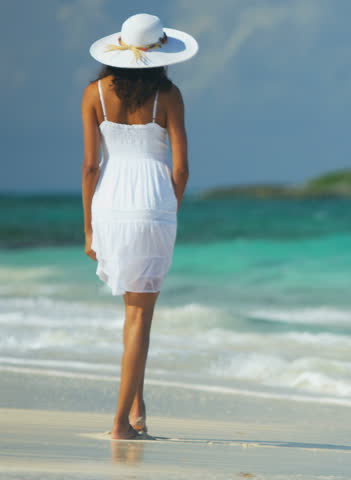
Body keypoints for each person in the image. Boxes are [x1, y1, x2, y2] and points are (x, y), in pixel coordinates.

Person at [82, 13, 198, 440]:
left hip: (110, 203)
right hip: (152, 203)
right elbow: (181, 171)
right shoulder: (168, 95)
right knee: (140, 318)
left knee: (130, 312)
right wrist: (169, 209)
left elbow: (91, 166)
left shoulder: (93, 93)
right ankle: (119, 425)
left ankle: (136, 407)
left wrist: (89, 230)